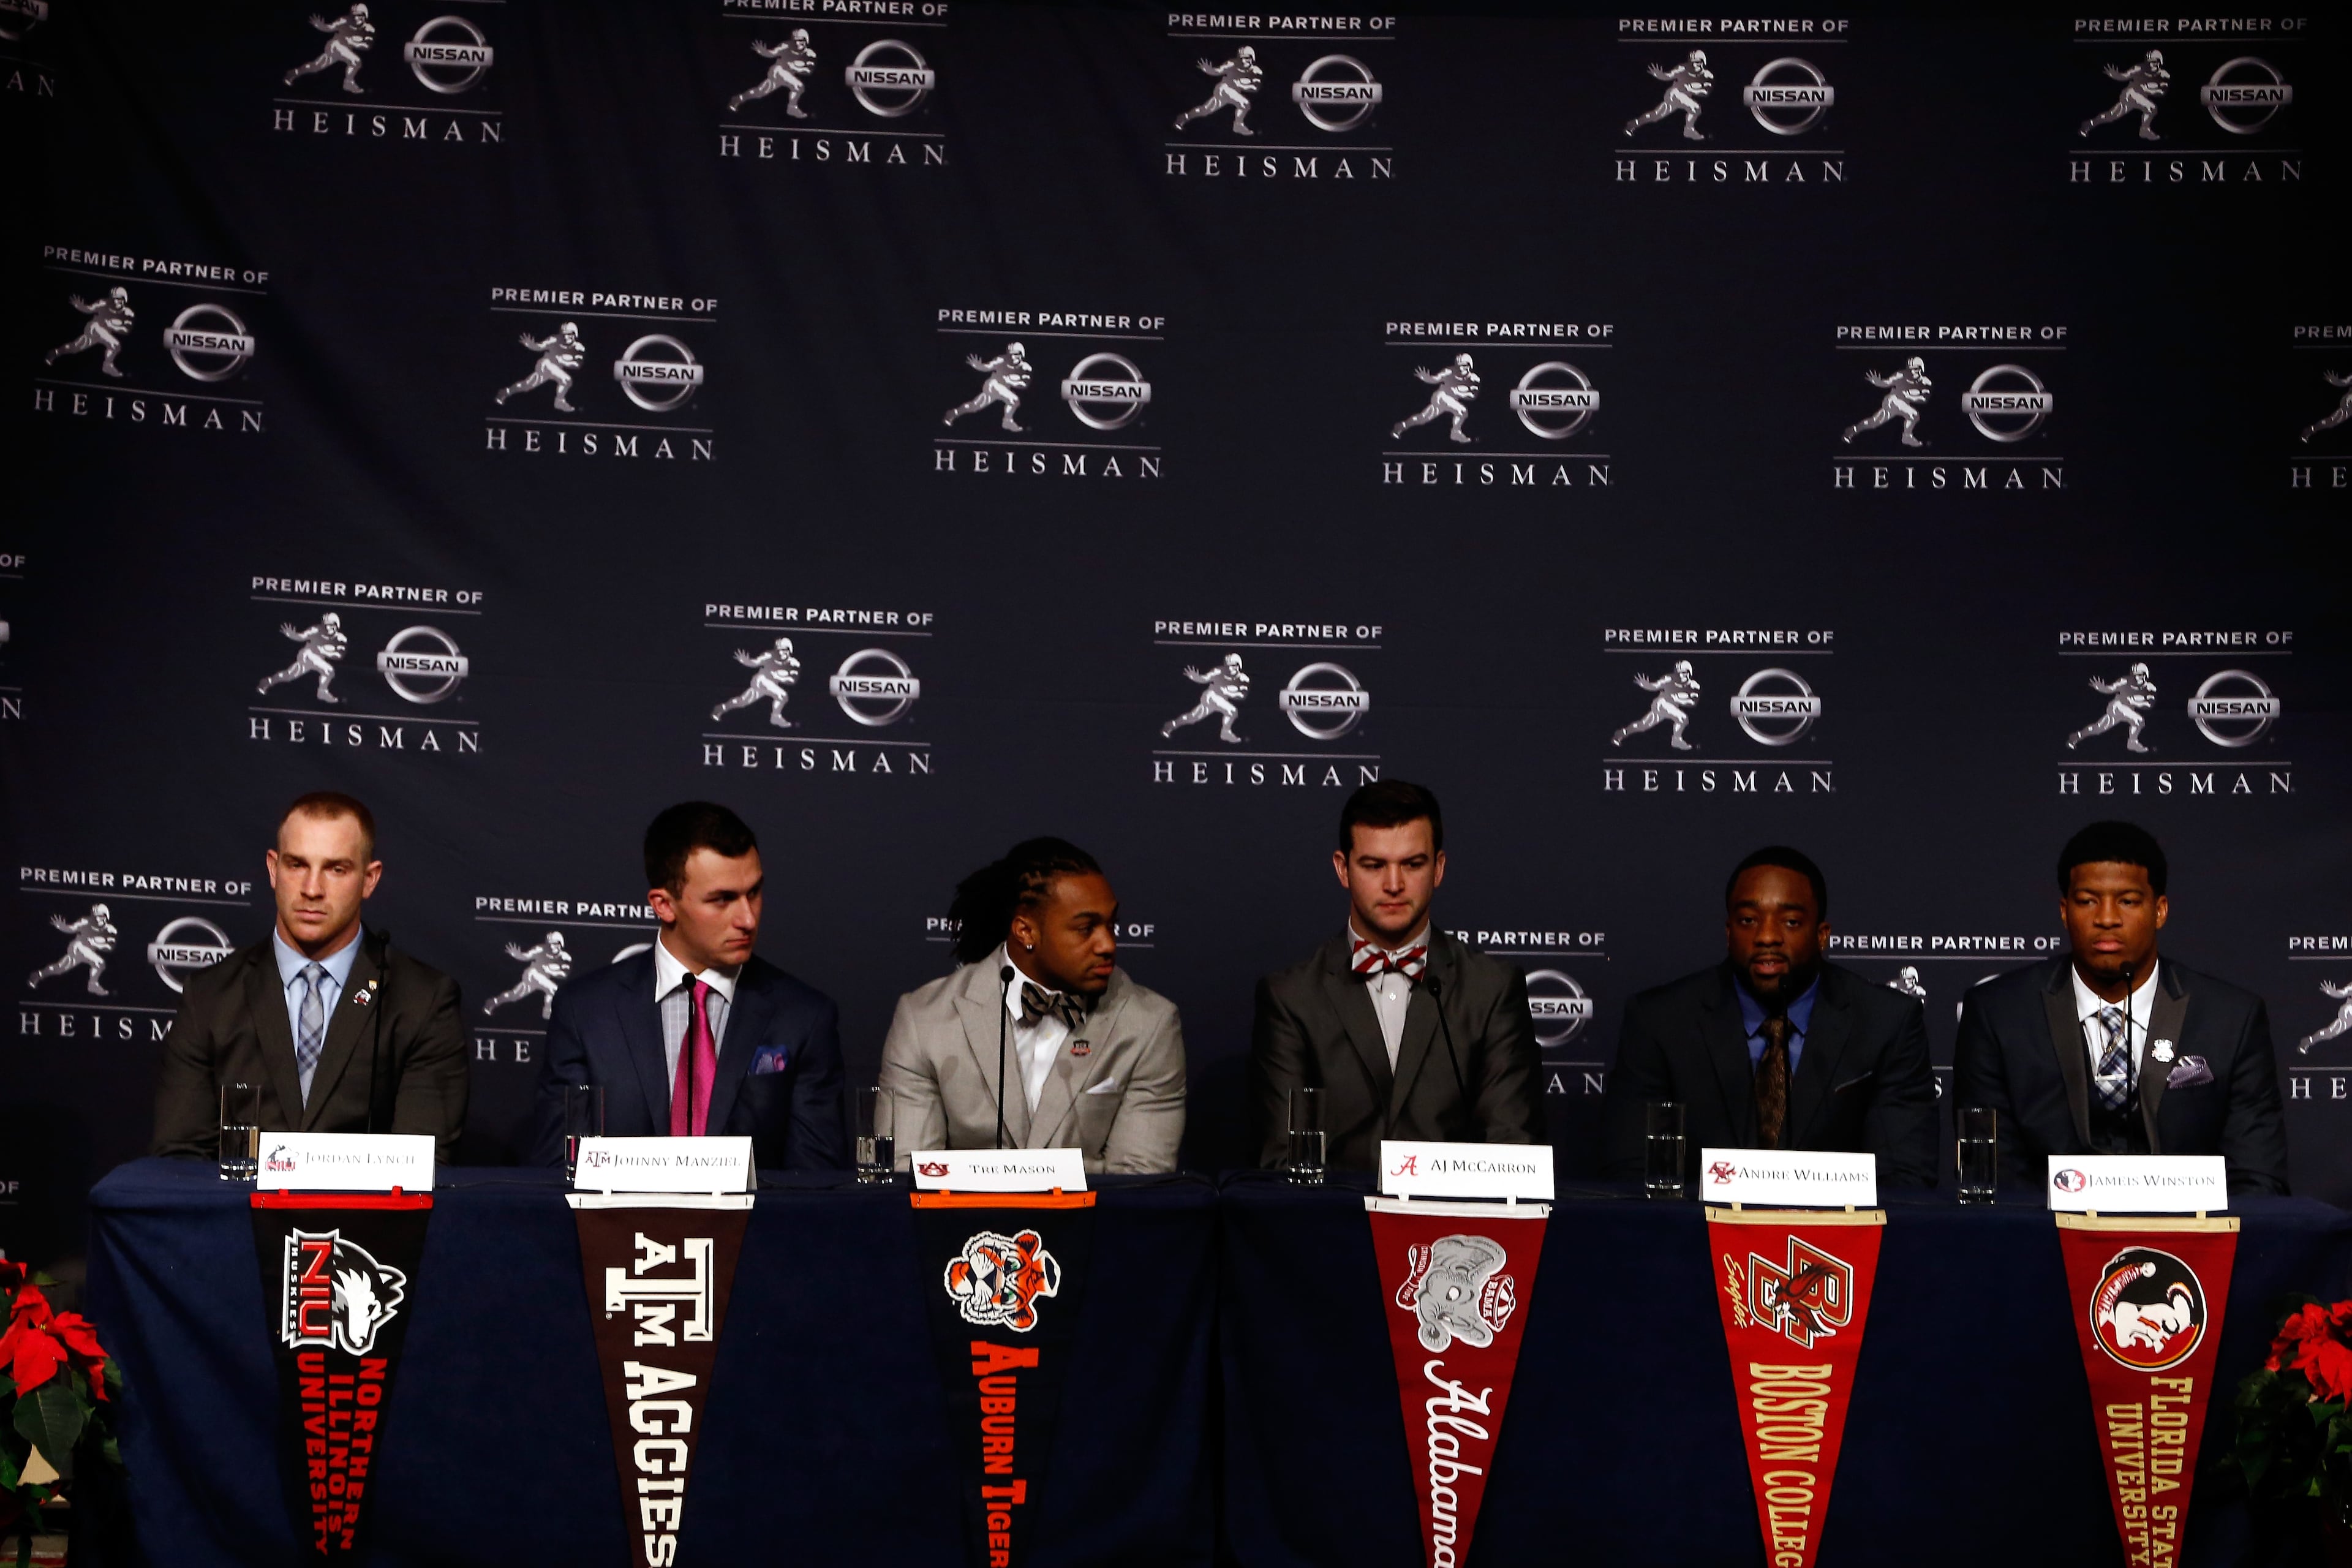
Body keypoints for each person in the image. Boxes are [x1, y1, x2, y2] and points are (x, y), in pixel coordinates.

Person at [1953, 821, 2289, 1193]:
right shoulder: (1997, 1013)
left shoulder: (2231, 1019)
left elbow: (2258, 1181)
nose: (2107, 918)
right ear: (2065, 911)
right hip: (2041, 1241)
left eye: (2128, 901)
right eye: (2088, 901)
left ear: (2159, 910)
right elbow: (1988, 1178)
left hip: (2190, 1243)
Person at [151, 792, 468, 1161]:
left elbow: (421, 1164)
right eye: (297, 865)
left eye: (336, 869)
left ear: (369, 879)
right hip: (240, 1216)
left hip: (367, 1219)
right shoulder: (209, 997)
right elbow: (180, 1159)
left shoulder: (422, 1001)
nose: (312, 889)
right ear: (273, 869)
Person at [531, 803, 846, 1170]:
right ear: (664, 905)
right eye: (723, 899)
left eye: (755, 892)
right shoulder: (584, 1011)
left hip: (757, 1228)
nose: (747, 918)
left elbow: (815, 1186)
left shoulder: (805, 1017)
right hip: (619, 1226)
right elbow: (558, 1172)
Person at [1602, 846, 1938, 1186]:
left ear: (1822, 935)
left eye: (1790, 922)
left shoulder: (1886, 1023)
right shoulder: (1660, 1021)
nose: (1766, 937)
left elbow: (1905, 1178)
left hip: (1838, 1237)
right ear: (1729, 931)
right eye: (1749, 920)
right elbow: (1633, 1173)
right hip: (1695, 1235)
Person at [1251, 780, 1543, 1170]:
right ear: (1343, 869)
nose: (1393, 885)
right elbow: (1287, 1161)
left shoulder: (1491, 990)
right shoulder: (1291, 998)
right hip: (1334, 1225)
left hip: (1455, 1226)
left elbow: (1514, 1153)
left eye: (1412, 864)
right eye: (1374, 866)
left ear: (1438, 868)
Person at [878, 838, 1185, 1172]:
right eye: (1086, 929)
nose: (1108, 944)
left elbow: (1140, 1179)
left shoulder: (1149, 1024)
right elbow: (906, 1170)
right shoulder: (926, 1019)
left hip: (1090, 1223)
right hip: (960, 1224)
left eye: (1111, 925)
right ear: (1026, 930)